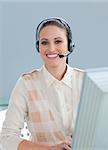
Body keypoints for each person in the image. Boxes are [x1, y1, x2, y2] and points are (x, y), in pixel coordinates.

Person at [0, 17, 84, 150]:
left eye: (58, 41)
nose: (51, 48)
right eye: (44, 42)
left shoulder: (86, 81)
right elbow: (6, 138)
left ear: (70, 45)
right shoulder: (26, 84)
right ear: (38, 47)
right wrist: (50, 149)